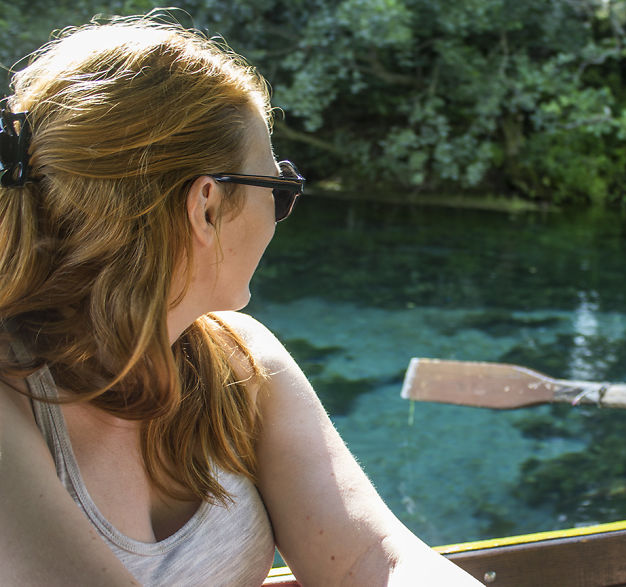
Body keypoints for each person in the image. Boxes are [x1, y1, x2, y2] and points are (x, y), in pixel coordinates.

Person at [0, 15, 482, 586]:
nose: (280, 218)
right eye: (279, 191)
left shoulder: (240, 359)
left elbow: (372, 558)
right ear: (207, 207)